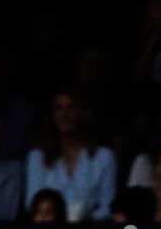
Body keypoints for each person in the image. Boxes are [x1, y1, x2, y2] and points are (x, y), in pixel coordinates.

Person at [24, 91, 116, 222]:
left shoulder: (104, 156)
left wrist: (83, 221)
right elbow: (32, 202)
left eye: (71, 108)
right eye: (59, 109)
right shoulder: (37, 157)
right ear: (52, 116)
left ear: (82, 113)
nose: (65, 114)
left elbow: (108, 205)